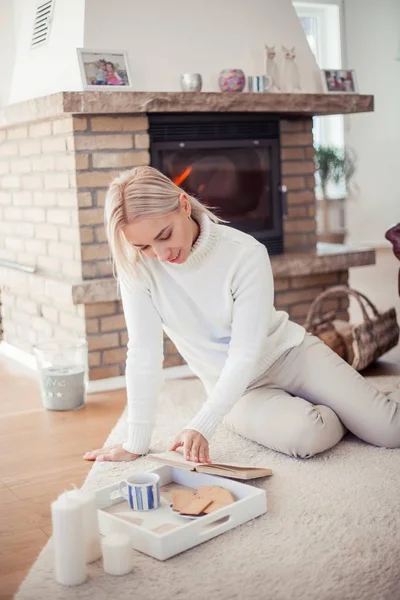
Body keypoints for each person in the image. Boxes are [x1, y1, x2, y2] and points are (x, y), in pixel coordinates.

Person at [83, 166, 400, 464]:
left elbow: (245, 352)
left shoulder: (245, 253)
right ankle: (346, 409)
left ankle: (357, 407)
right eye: (144, 246)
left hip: (290, 355)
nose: (161, 254)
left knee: (390, 431)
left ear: (182, 205)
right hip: (236, 390)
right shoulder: (138, 271)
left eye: (164, 235)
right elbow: (144, 354)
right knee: (308, 435)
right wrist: (135, 443)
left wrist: (203, 424)